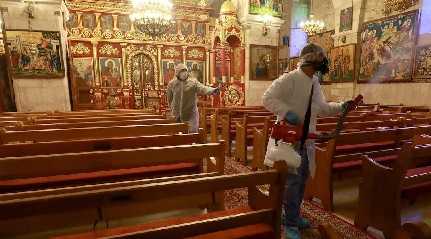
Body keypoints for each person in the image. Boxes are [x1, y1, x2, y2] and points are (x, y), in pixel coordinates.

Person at [262, 43, 355, 239]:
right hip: (290, 138)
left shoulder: (314, 82)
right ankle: (290, 224)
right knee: (292, 182)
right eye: (321, 57)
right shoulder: (290, 78)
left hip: (307, 138)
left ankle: (293, 215)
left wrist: (341, 106)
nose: (324, 62)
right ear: (311, 58)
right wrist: (287, 113)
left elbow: (321, 107)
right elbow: (267, 98)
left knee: (303, 179)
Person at [167, 63, 220, 133]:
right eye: (181, 71)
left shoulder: (193, 82)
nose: (184, 73)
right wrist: (172, 107)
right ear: (177, 73)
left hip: (191, 113)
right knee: (177, 135)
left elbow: (203, 88)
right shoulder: (172, 83)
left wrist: (213, 90)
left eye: (185, 71)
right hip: (176, 113)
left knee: (192, 133)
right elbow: (169, 98)